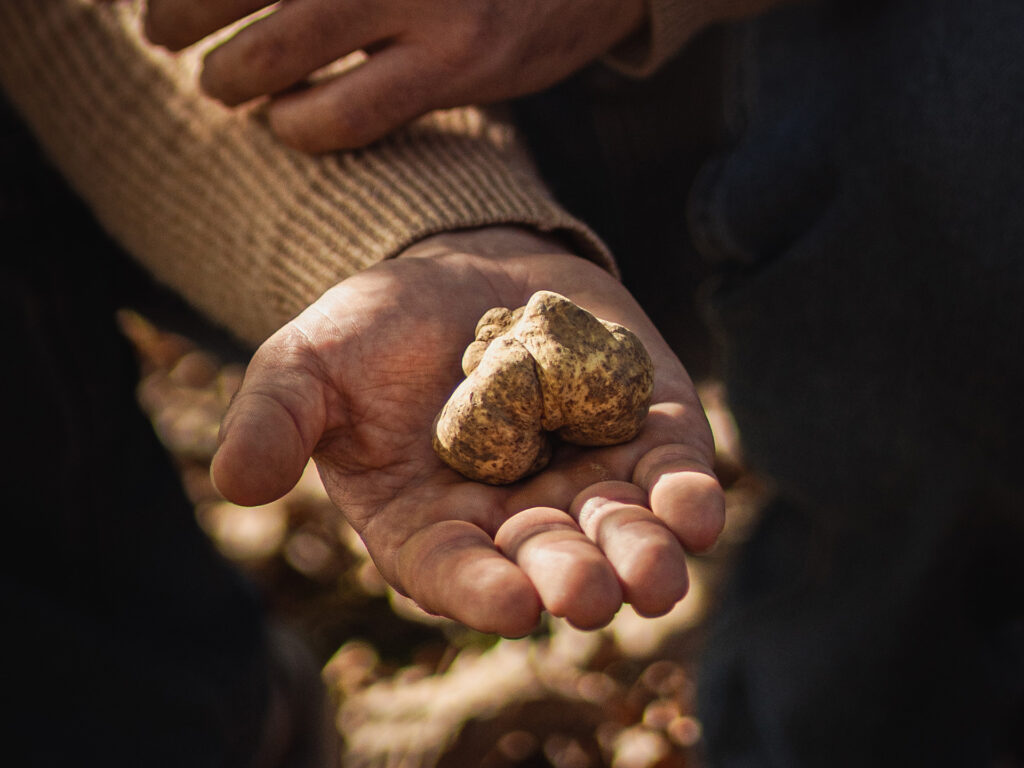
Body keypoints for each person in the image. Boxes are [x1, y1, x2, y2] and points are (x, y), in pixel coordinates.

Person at [3, 1, 1021, 766]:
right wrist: (427, 229)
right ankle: (170, 713)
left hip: (804, 80)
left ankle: (892, 686)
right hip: (352, 152)